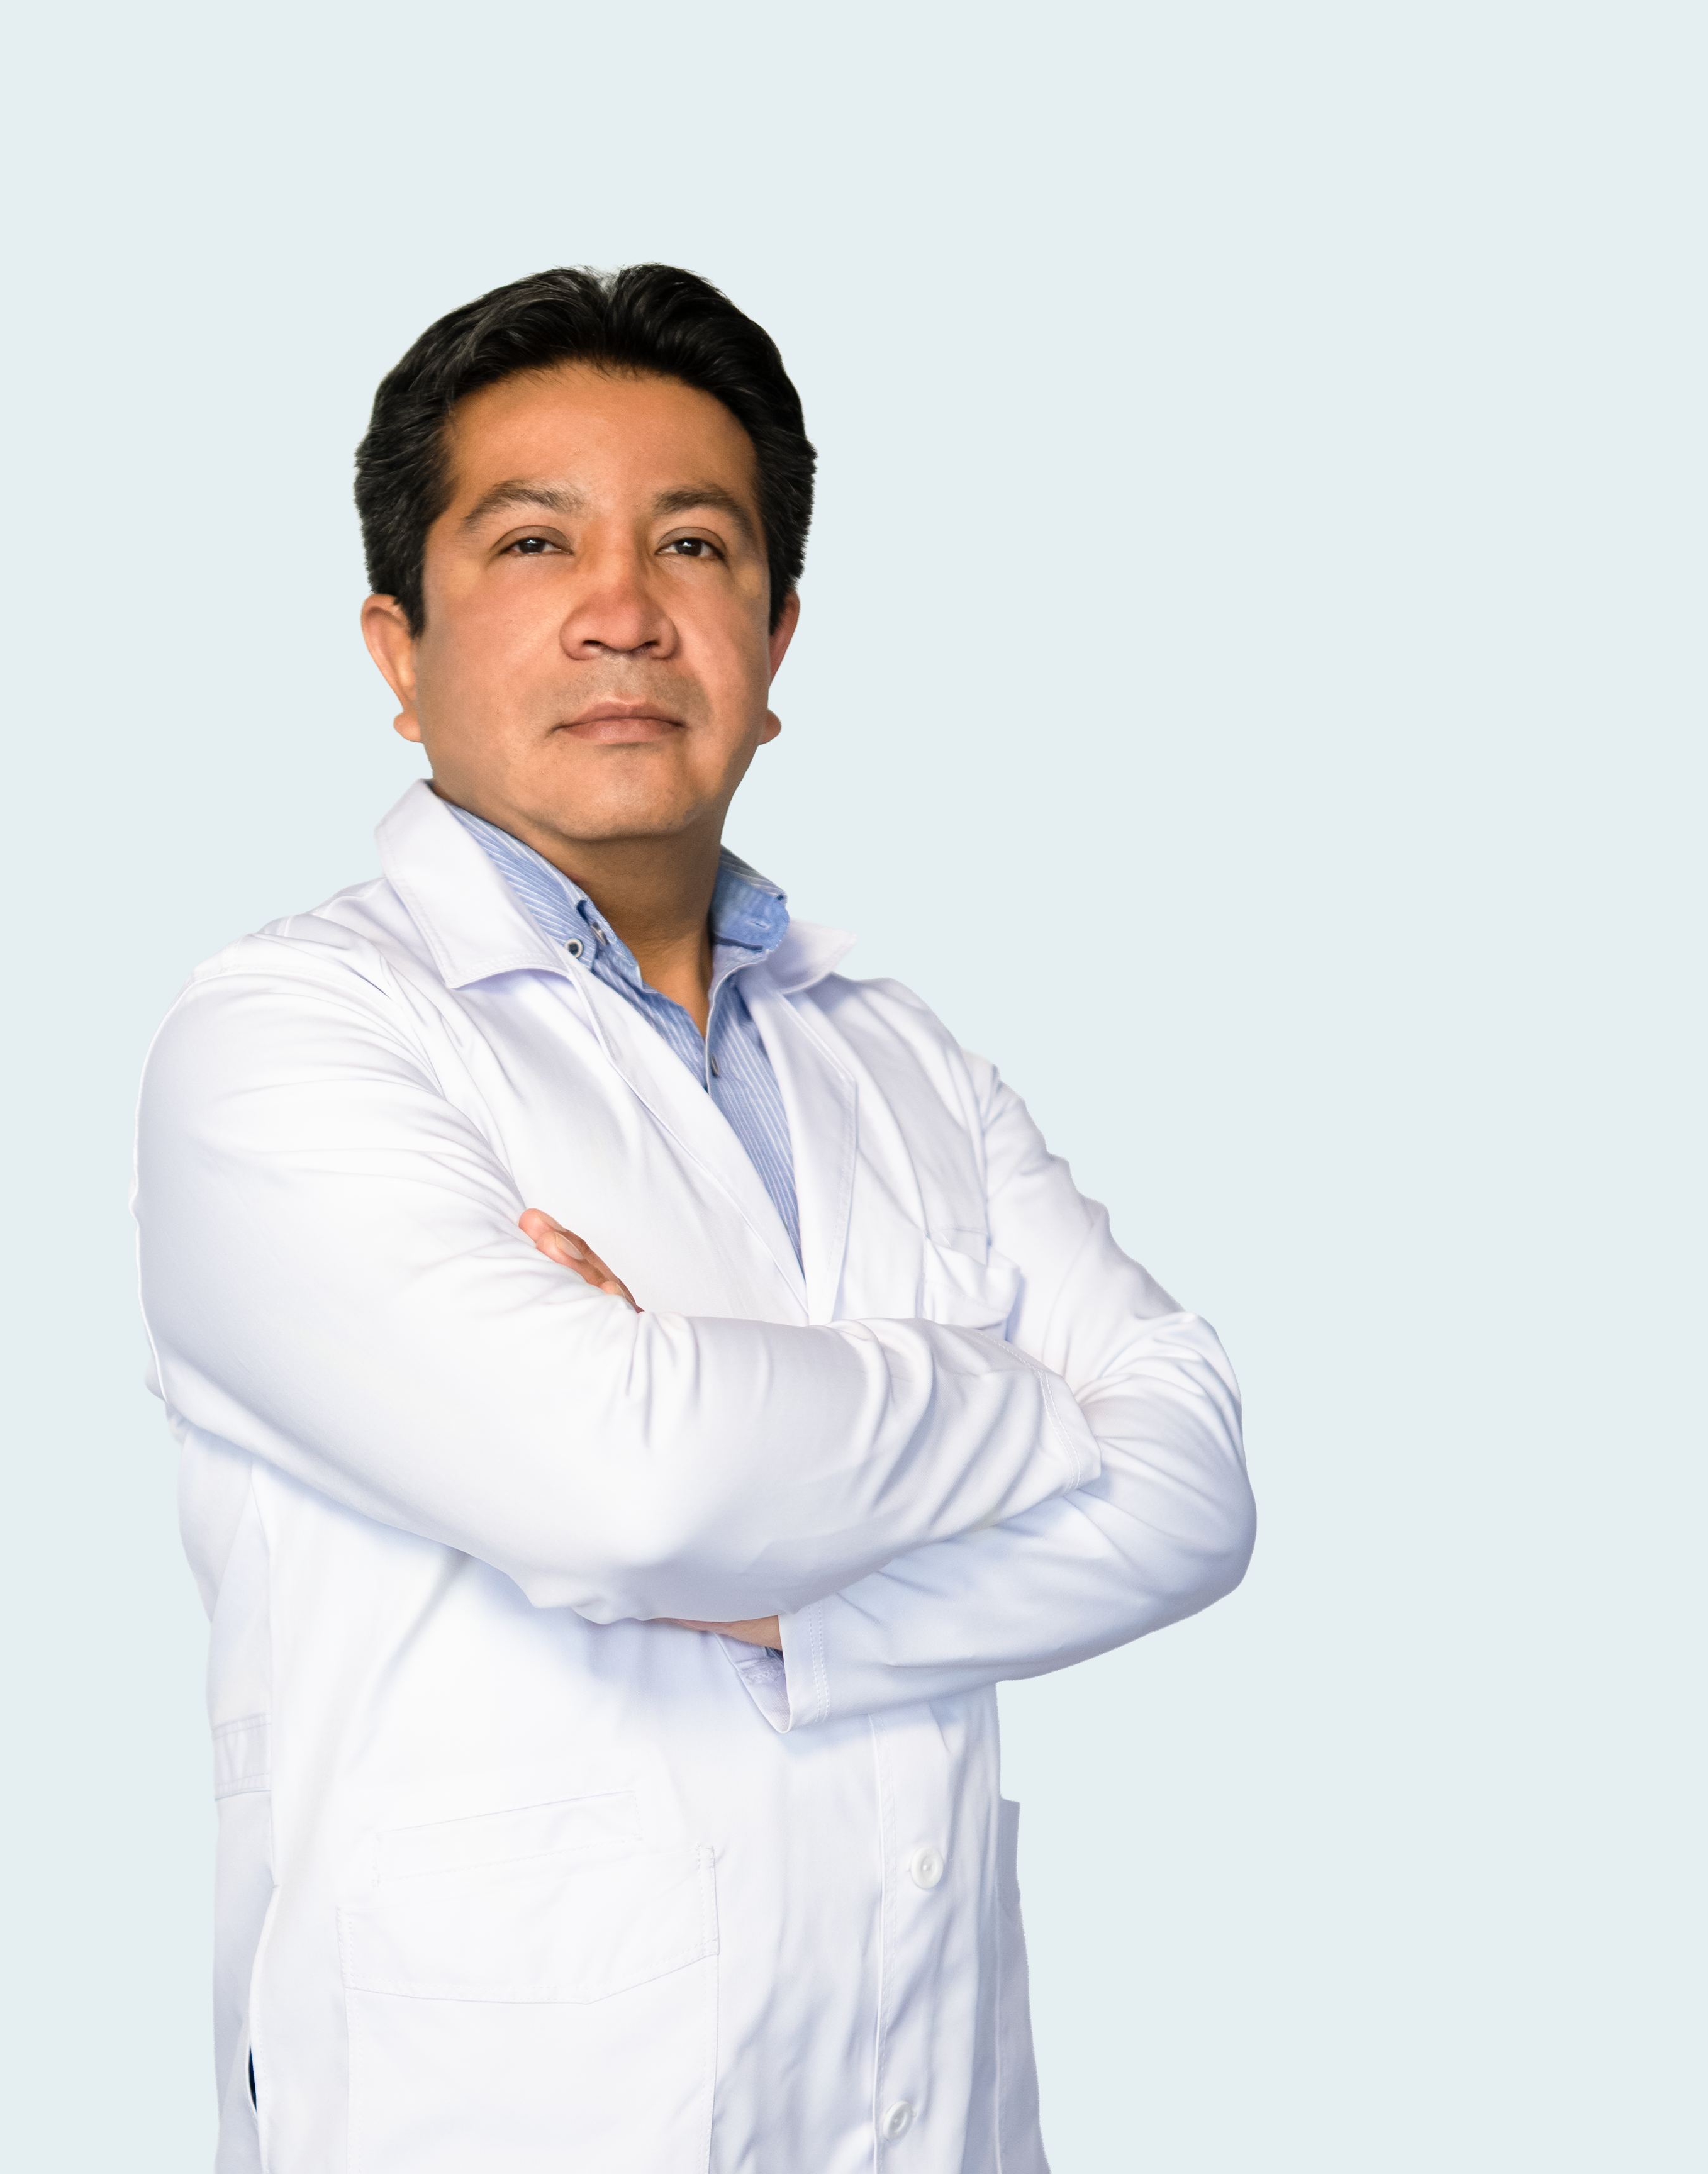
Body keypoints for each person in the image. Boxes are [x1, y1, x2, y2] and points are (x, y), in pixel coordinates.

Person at [133, 264, 1255, 2174]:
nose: (624, 612)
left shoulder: (898, 1056)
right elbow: (632, 1491)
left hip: (929, 2111)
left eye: (696, 544)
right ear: (398, 648)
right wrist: (1012, 1396)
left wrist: (792, 1566)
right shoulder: (287, 1040)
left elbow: (1197, 1493)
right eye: (533, 542)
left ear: (777, 633)